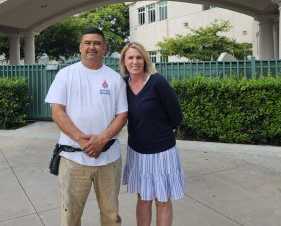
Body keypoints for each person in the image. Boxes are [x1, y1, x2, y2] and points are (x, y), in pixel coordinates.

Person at [45, 27, 128, 226]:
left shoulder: (115, 79)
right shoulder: (66, 75)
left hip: (109, 159)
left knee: (111, 215)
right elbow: (57, 111)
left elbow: (122, 115)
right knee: (70, 216)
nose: (92, 47)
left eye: (97, 43)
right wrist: (83, 141)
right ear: (80, 47)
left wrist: (101, 140)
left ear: (104, 48)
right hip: (73, 159)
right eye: (88, 43)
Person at [119, 42, 185, 226]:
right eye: (130, 57)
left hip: (162, 151)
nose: (135, 61)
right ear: (124, 61)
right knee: (143, 198)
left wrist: (159, 134)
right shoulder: (122, 85)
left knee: (162, 199)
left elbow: (176, 116)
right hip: (138, 151)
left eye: (139, 57)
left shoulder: (157, 82)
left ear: (145, 60)